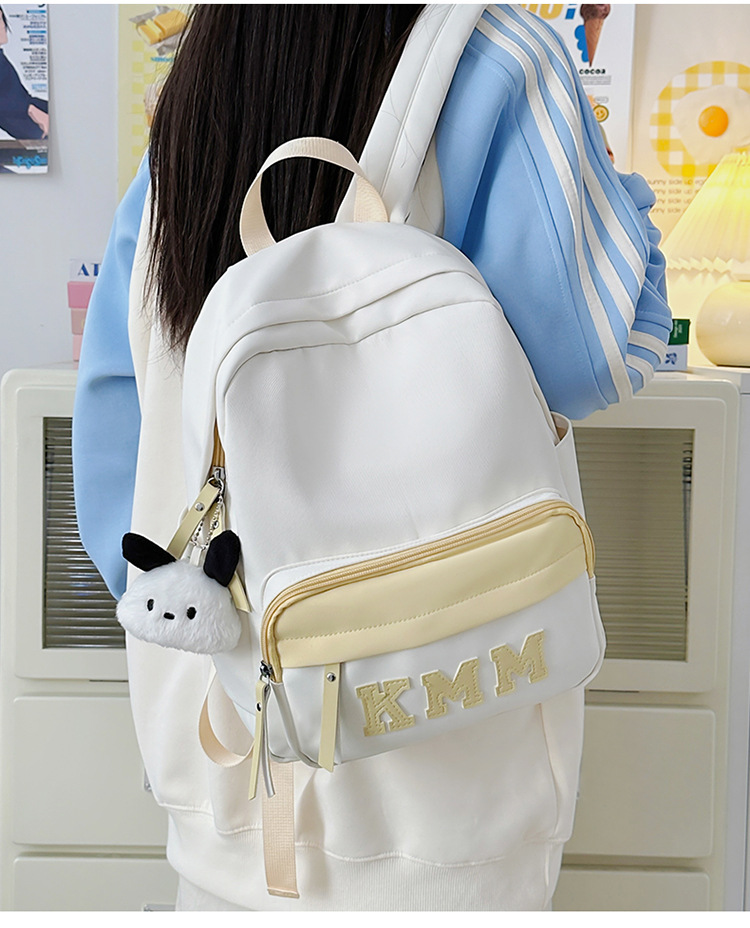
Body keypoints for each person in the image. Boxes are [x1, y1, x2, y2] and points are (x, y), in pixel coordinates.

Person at [73, 5, 671, 911]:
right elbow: (598, 351)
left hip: (222, 769)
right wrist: (620, 197)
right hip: (450, 794)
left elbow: (120, 426)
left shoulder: (206, 70)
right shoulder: (496, 53)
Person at [0, 6, 48, 140]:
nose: (3, 25)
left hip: (23, 110)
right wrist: (30, 109)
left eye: (1, 18)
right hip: (17, 117)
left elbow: (19, 96)